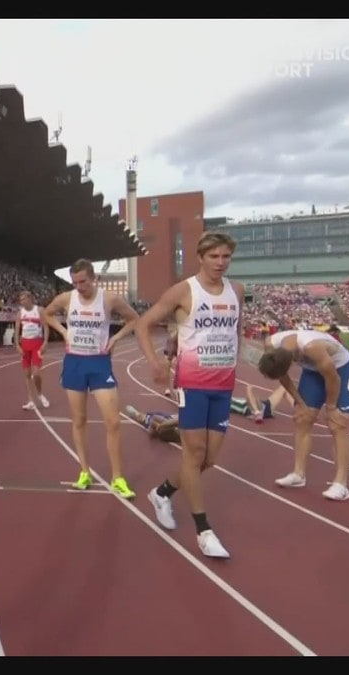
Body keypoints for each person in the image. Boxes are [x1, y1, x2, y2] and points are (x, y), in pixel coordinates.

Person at [137, 231, 242, 559]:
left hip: (223, 386)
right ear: (201, 257)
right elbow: (143, 324)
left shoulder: (236, 290)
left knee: (208, 460)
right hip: (193, 384)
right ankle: (203, 530)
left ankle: (161, 493)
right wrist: (155, 362)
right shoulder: (184, 291)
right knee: (193, 455)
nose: (220, 263)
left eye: (226, 257)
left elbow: (236, 330)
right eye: (214, 257)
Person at [41, 259, 141, 498]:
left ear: (93, 278)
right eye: (75, 282)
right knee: (79, 420)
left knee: (113, 422)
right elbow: (47, 313)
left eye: (83, 282)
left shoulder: (109, 299)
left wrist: (116, 339)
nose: (79, 287)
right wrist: (63, 331)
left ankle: (118, 478)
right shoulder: (67, 298)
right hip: (74, 362)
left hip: (99, 363)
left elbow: (134, 318)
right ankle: (84, 471)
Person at [256, 328, 349, 501]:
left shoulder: (312, 348)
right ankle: (298, 474)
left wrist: (332, 407)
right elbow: (283, 377)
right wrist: (301, 403)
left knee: (338, 423)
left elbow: (334, 379)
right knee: (302, 418)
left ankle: (341, 484)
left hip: (341, 370)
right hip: (313, 372)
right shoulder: (271, 345)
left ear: (291, 362)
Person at [15, 290, 51, 410]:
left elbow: (46, 326)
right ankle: (31, 400)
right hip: (25, 344)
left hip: (37, 344)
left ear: (30, 299)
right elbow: (16, 331)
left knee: (36, 373)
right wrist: (17, 346)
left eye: (24, 299)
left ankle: (40, 394)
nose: (22, 301)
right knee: (27, 374)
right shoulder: (20, 313)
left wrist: (45, 342)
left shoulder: (39, 310)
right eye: (20, 300)